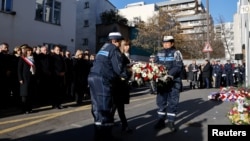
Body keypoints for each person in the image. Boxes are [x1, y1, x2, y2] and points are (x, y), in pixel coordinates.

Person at [88, 32, 126, 141]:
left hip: (92, 78)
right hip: (102, 79)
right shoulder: (113, 49)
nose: (120, 44)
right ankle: (106, 137)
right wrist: (127, 73)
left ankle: (98, 135)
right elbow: (118, 68)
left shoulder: (103, 48)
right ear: (114, 41)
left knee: (97, 108)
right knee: (105, 108)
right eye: (119, 42)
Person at [154, 35, 183, 132]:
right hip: (162, 81)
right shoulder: (159, 52)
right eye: (164, 42)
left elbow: (178, 66)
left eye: (167, 42)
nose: (165, 44)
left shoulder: (176, 53)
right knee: (161, 101)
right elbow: (155, 64)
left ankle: (171, 121)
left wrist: (168, 74)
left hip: (173, 82)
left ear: (172, 43)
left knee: (172, 102)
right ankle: (161, 120)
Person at [111, 39, 133, 133]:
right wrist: (129, 72)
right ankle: (123, 125)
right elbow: (120, 70)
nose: (128, 47)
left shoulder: (123, 55)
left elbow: (128, 65)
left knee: (117, 105)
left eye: (128, 45)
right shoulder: (118, 55)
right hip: (117, 84)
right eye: (126, 45)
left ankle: (114, 123)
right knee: (117, 105)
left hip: (122, 84)